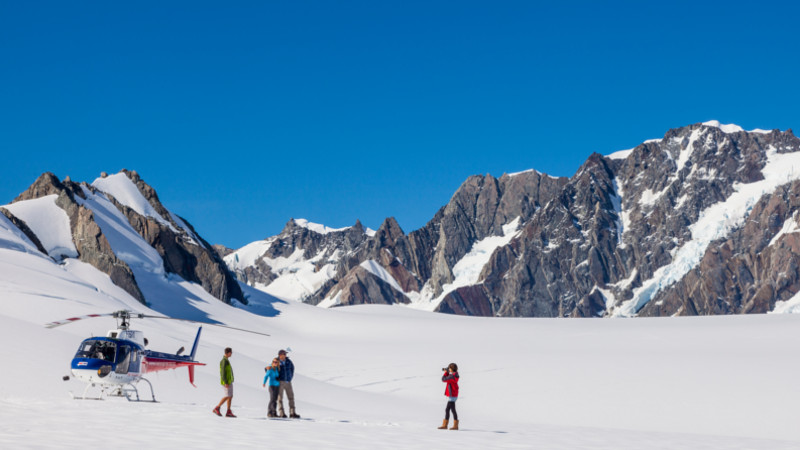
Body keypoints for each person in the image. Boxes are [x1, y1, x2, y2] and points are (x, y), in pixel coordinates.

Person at [276, 349, 300, 418]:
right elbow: (271, 369)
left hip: (288, 382)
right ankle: (282, 413)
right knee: (280, 398)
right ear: (280, 355)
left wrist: (290, 378)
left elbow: (292, 369)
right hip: (280, 382)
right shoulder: (276, 361)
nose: (285, 355)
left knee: (291, 397)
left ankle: (292, 413)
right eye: (284, 354)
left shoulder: (288, 361)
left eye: (285, 354)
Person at [213, 347, 236, 418]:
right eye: (231, 352)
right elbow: (222, 372)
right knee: (227, 396)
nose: (231, 354)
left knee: (230, 396)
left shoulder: (226, 360)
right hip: (226, 382)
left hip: (229, 381)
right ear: (228, 353)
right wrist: (225, 382)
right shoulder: (224, 361)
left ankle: (228, 411)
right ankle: (217, 408)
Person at [438, 363, 459, 430]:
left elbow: (443, 379)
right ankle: (446, 425)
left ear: (452, 369)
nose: (448, 369)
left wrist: (445, 373)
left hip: (452, 396)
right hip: (453, 395)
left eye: (449, 368)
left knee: (451, 410)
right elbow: (448, 377)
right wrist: (447, 372)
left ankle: (453, 426)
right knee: (449, 410)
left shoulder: (452, 376)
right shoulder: (455, 375)